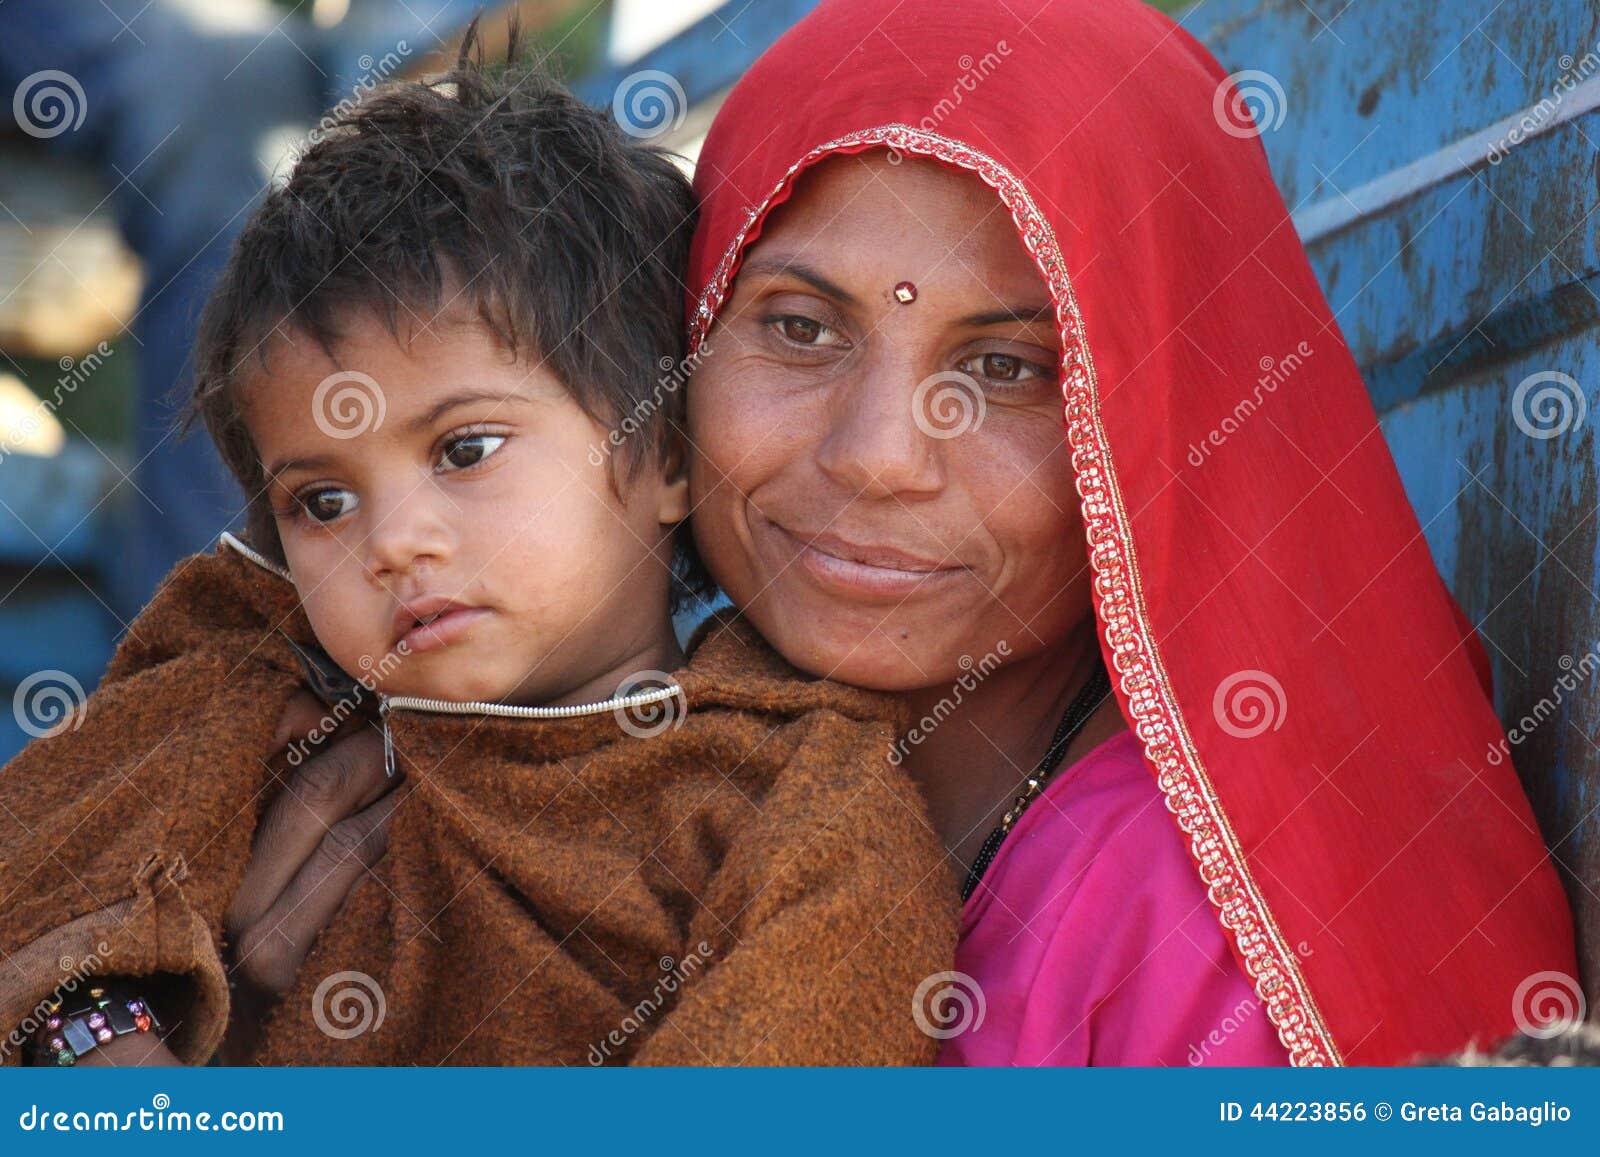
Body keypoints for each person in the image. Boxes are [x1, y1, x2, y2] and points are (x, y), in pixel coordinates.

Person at [33, 0, 1576, 1069]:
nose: (880, 458)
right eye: (797, 326)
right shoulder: (398, 718)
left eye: (1009, 365)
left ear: (1155, 406)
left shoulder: (1197, 932)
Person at [0, 27, 955, 1067]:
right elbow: (44, 881)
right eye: (321, 499)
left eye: (465, 447)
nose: (393, 541)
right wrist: (107, 1042)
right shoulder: (260, 686)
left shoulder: (795, 816)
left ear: (668, 451)